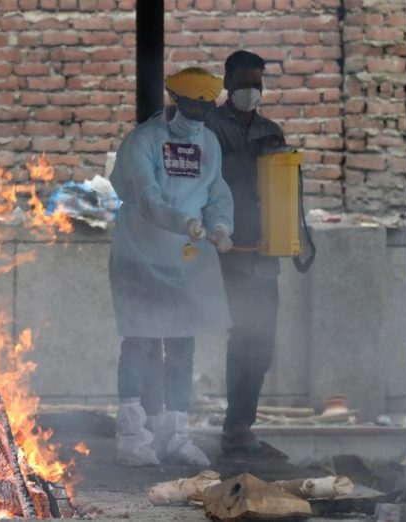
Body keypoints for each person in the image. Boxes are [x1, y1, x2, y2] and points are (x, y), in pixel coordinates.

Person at [109, 67, 234, 467]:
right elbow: (146, 198)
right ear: (176, 101)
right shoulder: (142, 142)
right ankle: (132, 438)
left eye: (206, 109)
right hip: (140, 256)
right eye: (194, 107)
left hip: (187, 262)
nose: (199, 117)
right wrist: (181, 221)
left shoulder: (209, 144)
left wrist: (220, 225)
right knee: (141, 344)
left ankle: (176, 436)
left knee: (182, 347)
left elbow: (217, 192)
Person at [205, 51, 287, 457]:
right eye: (243, 83)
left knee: (262, 341)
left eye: (257, 83)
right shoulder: (209, 130)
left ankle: (241, 424)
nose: (250, 91)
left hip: (265, 251)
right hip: (225, 250)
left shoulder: (272, 132)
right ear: (227, 82)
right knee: (243, 337)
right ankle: (236, 430)